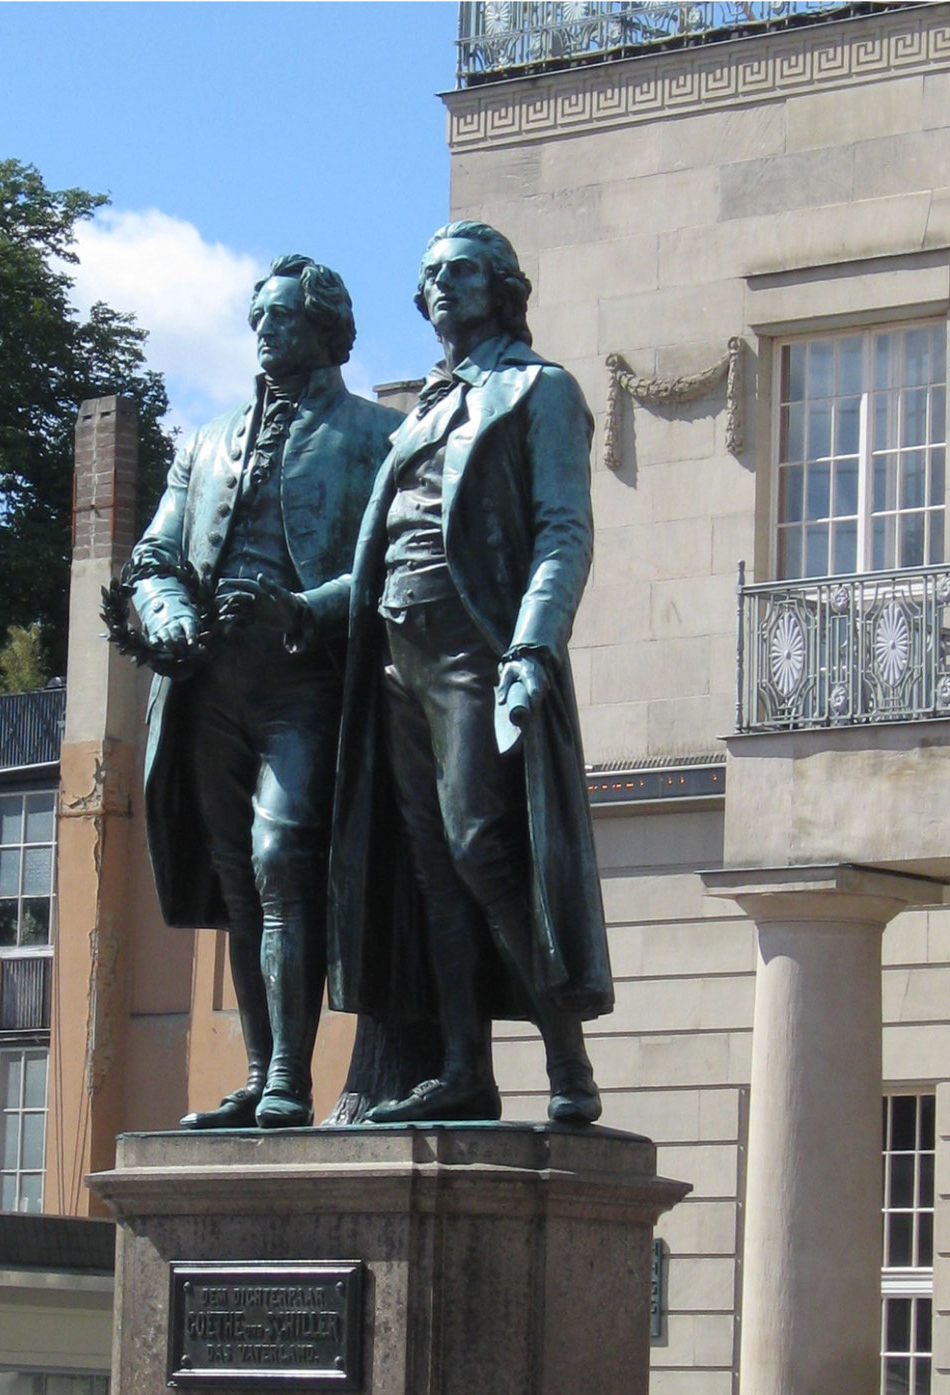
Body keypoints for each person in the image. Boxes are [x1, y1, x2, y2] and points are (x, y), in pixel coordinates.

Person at [326, 220, 612, 1125]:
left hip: (472, 644)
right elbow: (376, 551)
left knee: (484, 850)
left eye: (461, 272)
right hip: (393, 651)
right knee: (430, 869)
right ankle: (462, 1067)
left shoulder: (539, 390)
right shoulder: (421, 411)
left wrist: (532, 645)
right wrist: (296, 614)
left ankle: (568, 1066)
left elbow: (564, 531)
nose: (442, 287)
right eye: (430, 276)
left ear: (502, 288)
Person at [128, 254, 397, 1129]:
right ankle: (257, 1073)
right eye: (259, 319)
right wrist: (167, 615)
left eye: (282, 317)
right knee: (239, 881)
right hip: (210, 686)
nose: (266, 333)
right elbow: (155, 558)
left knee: (285, 861)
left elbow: (393, 574)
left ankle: (290, 1077)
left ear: (327, 327)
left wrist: (306, 607)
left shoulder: (374, 437)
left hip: (304, 685)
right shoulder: (205, 441)